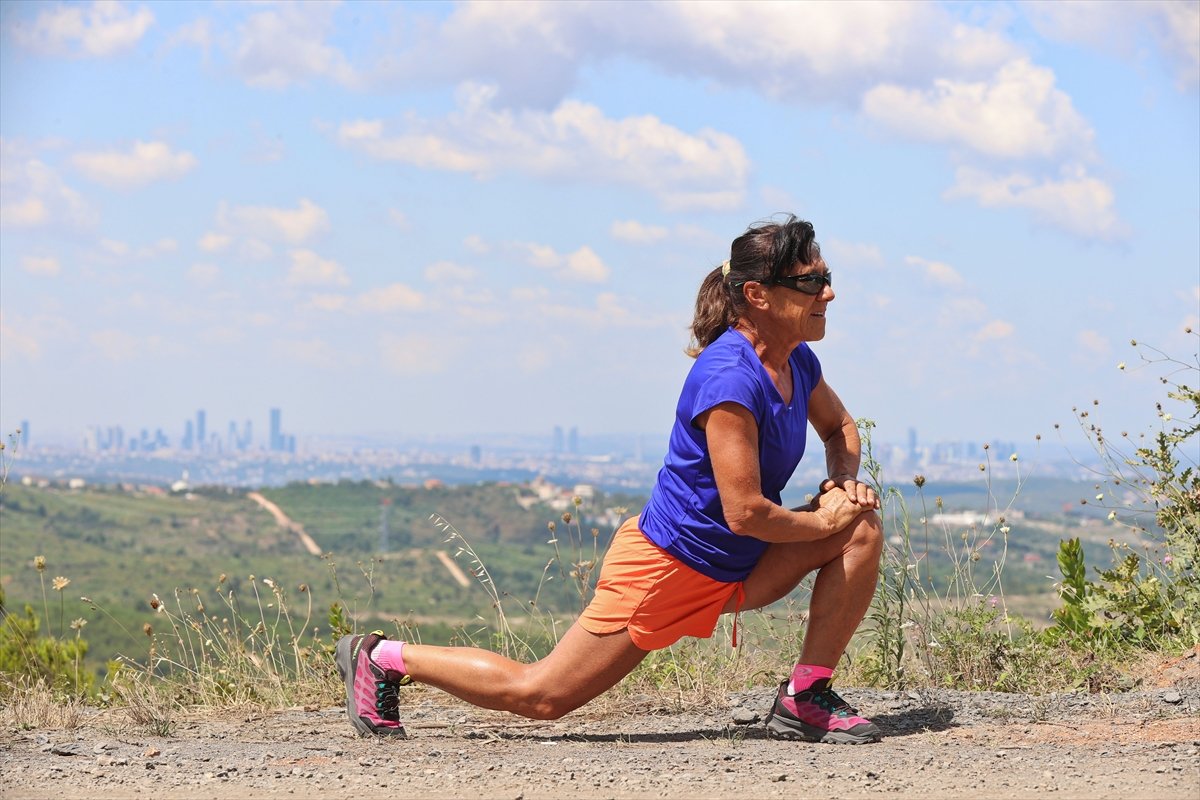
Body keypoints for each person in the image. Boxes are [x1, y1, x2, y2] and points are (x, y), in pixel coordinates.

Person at [336, 214, 884, 745]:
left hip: (739, 564)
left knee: (859, 527)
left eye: (826, 277)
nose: (828, 293)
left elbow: (839, 427)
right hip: (669, 568)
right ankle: (382, 658)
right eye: (810, 282)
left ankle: (805, 697)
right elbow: (745, 512)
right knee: (542, 696)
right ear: (758, 295)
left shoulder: (794, 361)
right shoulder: (730, 378)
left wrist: (842, 483)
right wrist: (821, 521)